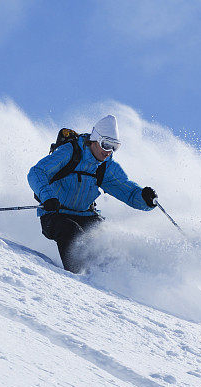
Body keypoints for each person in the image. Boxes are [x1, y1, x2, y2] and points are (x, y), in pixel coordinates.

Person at [27, 115, 158, 273]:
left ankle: (116, 279)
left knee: (105, 239)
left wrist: (144, 198)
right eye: (106, 144)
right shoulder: (70, 152)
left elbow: (127, 191)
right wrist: (47, 197)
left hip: (86, 215)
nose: (109, 151)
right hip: (56, 213)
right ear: (95, 139)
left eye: (114, 147)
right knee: (72, 233)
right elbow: (37, 172)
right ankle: (83, 280)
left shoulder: (106, 167)